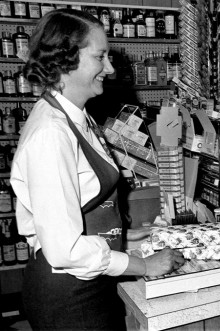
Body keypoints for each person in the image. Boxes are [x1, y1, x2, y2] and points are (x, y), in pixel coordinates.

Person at [10, 9, 185, 331]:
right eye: (100, 57)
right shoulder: (52, 134)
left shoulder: (77, 117)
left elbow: (74, 207)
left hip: (91, 281)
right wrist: (143, 264)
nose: (110, 68)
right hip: (69, 296)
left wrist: (119, 236)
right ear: (65, 61)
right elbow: (65, 249)